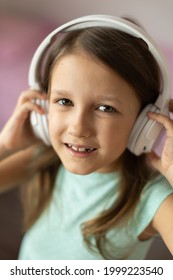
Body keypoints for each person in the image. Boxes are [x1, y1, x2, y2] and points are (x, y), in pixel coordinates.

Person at [0, 16, 173, 260]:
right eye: (64, 101)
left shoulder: (150, 198)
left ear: (144, 121)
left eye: (105, 108)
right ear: (44, 105)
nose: (78, 128)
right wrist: (5, 144)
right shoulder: (45, 158)